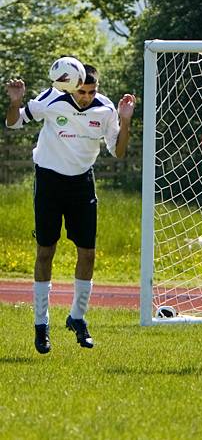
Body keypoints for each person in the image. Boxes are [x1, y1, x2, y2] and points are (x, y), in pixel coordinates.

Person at [5, 59, 136, 353]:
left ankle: (77, 317)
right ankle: (41, 324)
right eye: (82, 91)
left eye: (91, 91)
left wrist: (125, 120)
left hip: (82, 183)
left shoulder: (106, 109)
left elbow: (119, 151)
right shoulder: (51, 98)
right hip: (49, 181)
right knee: (46, 251)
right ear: (70, 85)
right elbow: (14, 122)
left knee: (88, 254)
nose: (86, 96)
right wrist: (16, 102)